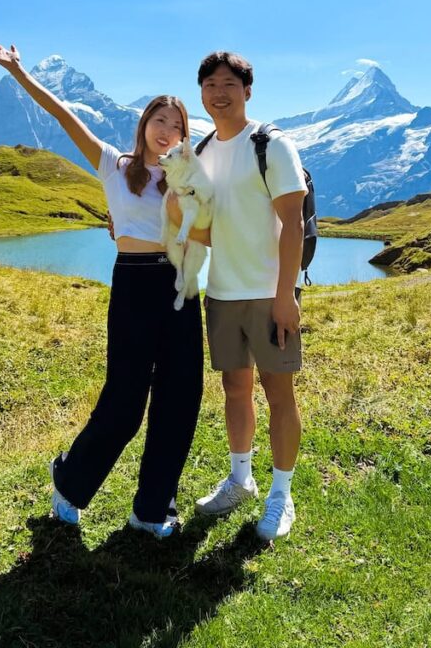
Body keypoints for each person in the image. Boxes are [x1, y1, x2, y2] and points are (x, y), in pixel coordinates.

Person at [0, 42, 204, 539]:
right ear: (144, 124)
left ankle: (151, 510)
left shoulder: (186, 178)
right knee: (125, 400)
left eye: (177, 126)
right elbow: (62, 116)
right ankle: (70, 481)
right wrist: (18, 72)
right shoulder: (113, 163)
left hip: (182, 286)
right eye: (160, 121)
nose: (167, 132)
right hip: (133, 283)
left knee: (180, 398)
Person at [168, 51, 306, 541]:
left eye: (228, 84)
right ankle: (241, 478)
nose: (218, 93)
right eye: (209, 85)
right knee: (234, 389)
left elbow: (292, 221)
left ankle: (281, 495)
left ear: (247, 90)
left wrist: (285, 294)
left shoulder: (270, 144)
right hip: (222, 294)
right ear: (200, 93)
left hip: (268, 295)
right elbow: (207, 228)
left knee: (279, 392)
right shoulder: (202, 151)